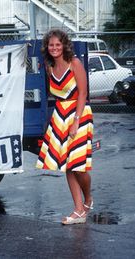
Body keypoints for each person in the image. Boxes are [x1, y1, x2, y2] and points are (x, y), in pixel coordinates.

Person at [36, 29, 94, 225]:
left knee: (78, 166)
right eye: (51, 45)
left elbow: (83, 94)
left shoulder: (75, 63)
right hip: (60, 115)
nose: (54, 48)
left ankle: (88, 200)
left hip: (79, 113)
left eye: (58, 45)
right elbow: (55, 94)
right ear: (47, 47)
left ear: (64, 45)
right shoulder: (49, 66)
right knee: (68, 166)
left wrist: (76, 121)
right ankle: (78, 211)